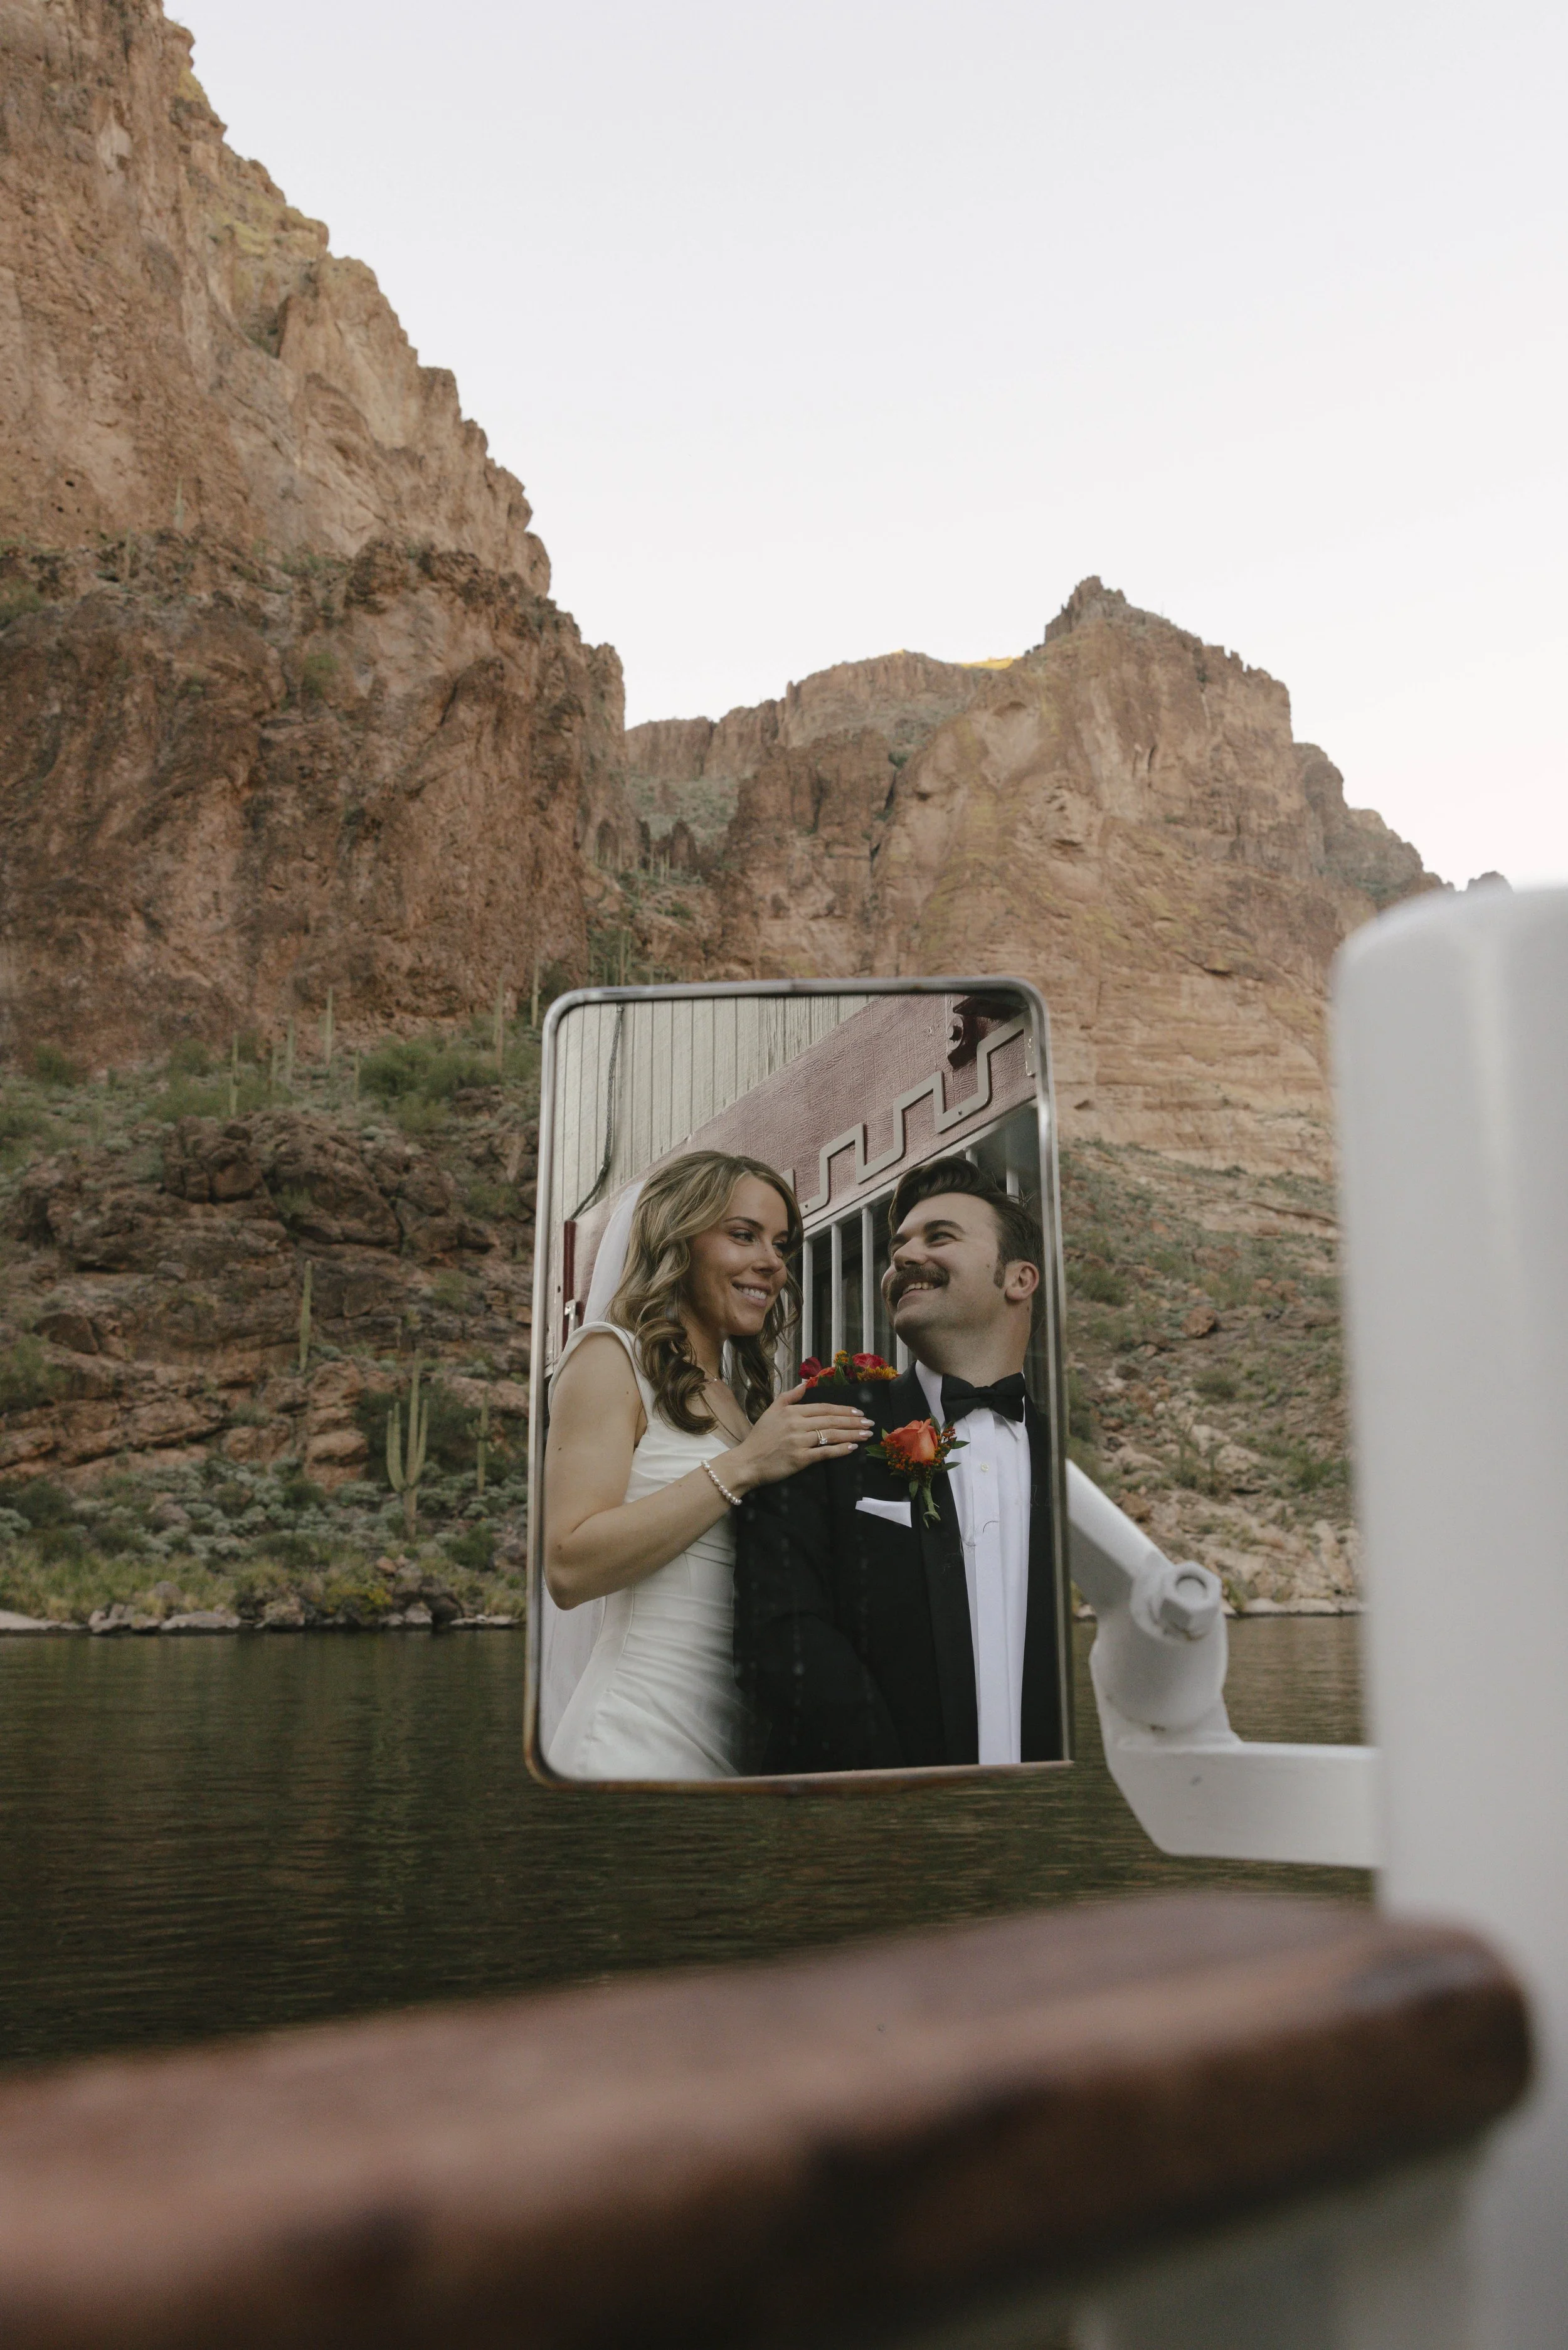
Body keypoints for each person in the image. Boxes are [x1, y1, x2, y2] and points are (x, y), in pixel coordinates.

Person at [543, 1150, 872, 1780]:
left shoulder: (741, 1399)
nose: (772, 1264)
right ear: (679, 1240)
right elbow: (568, 1565)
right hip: (634, 1738)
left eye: (780, 1244)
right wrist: (744, 1466)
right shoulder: (612, 1360)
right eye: (742, 1235)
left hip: (736, 1745)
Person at [733, 1156, 1065, 1773]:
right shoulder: (826, 1422)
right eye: (898, 1246)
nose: (904, 1256)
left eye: (939, 1237)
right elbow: (779, 1636)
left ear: (1019, 1279)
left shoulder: (1071, 1464)